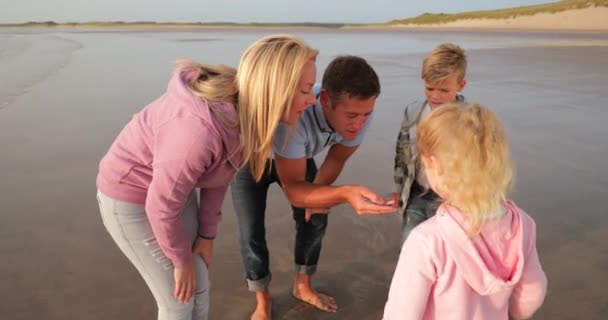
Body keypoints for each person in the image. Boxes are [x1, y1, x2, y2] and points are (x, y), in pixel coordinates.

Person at [96, 34, 319, 320]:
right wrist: (180, 260)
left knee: (200, 286)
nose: (312, 100)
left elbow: (219, 175)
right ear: (275, 89)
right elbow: (160, 206)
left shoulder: (248, 115)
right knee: (178, 300)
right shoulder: (198, 132)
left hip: (172, 192)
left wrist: (206, 234)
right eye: (305, 90)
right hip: (130, 197)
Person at [231, 55, 395, 320]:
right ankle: (263, 299)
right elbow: (294, 189)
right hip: (252, 159)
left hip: (297, 157)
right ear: (326, 100)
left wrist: (318, 198)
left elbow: (337, 158)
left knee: (316, 217)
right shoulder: (295, 118)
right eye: (352, 116)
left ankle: (302, 285)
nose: (359, 124)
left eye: (366, 115)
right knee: (251, 231)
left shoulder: (361, 112)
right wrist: (343, 193)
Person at [383, 103, 547, 320]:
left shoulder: (427, 241)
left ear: (435, 165)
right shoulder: (522, 225)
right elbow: (532, 292)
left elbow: (400, 314)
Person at [391, 43, 468, 242]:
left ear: (460, 85)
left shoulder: (469, 120)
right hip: (416, 194)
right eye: (429, 88)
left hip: (451, 200)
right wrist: (399, 191)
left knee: (445, 250)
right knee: (410, 245)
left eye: (443, 90)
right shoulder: (413, 112)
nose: (435, 96)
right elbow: (401, 153)